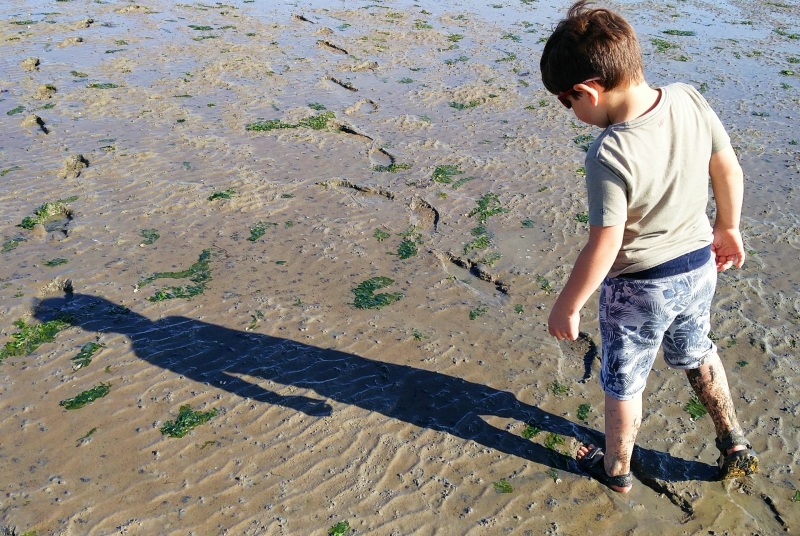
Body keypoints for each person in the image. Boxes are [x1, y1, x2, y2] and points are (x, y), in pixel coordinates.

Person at [539, 0, 758, 492]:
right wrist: (729, 226)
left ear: (588, 91)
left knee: (625, 379)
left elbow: (606, 241)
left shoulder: (608, 151)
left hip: (640, 286)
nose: (570, 111)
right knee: (698, 351)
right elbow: (727, 167)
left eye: (565, 101)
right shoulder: (688, 97)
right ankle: (734, 442)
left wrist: (569, 305)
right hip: (700, 266)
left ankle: (615, 468)